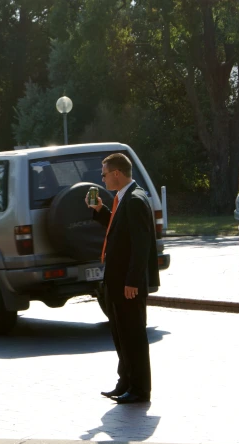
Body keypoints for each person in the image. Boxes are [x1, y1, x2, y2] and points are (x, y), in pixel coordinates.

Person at [87, 153, 159, 404]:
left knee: (133, 336)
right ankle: (125, 382)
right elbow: (118, 230)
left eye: (104, 174)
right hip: (116, 280)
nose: (102, 178)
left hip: (128, 284)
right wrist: (100, 211)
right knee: (120, 334)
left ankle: (140, 389)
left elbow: (141, 247)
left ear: (117, 173)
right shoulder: (122, 198)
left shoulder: (136, 200)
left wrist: (132, 281)